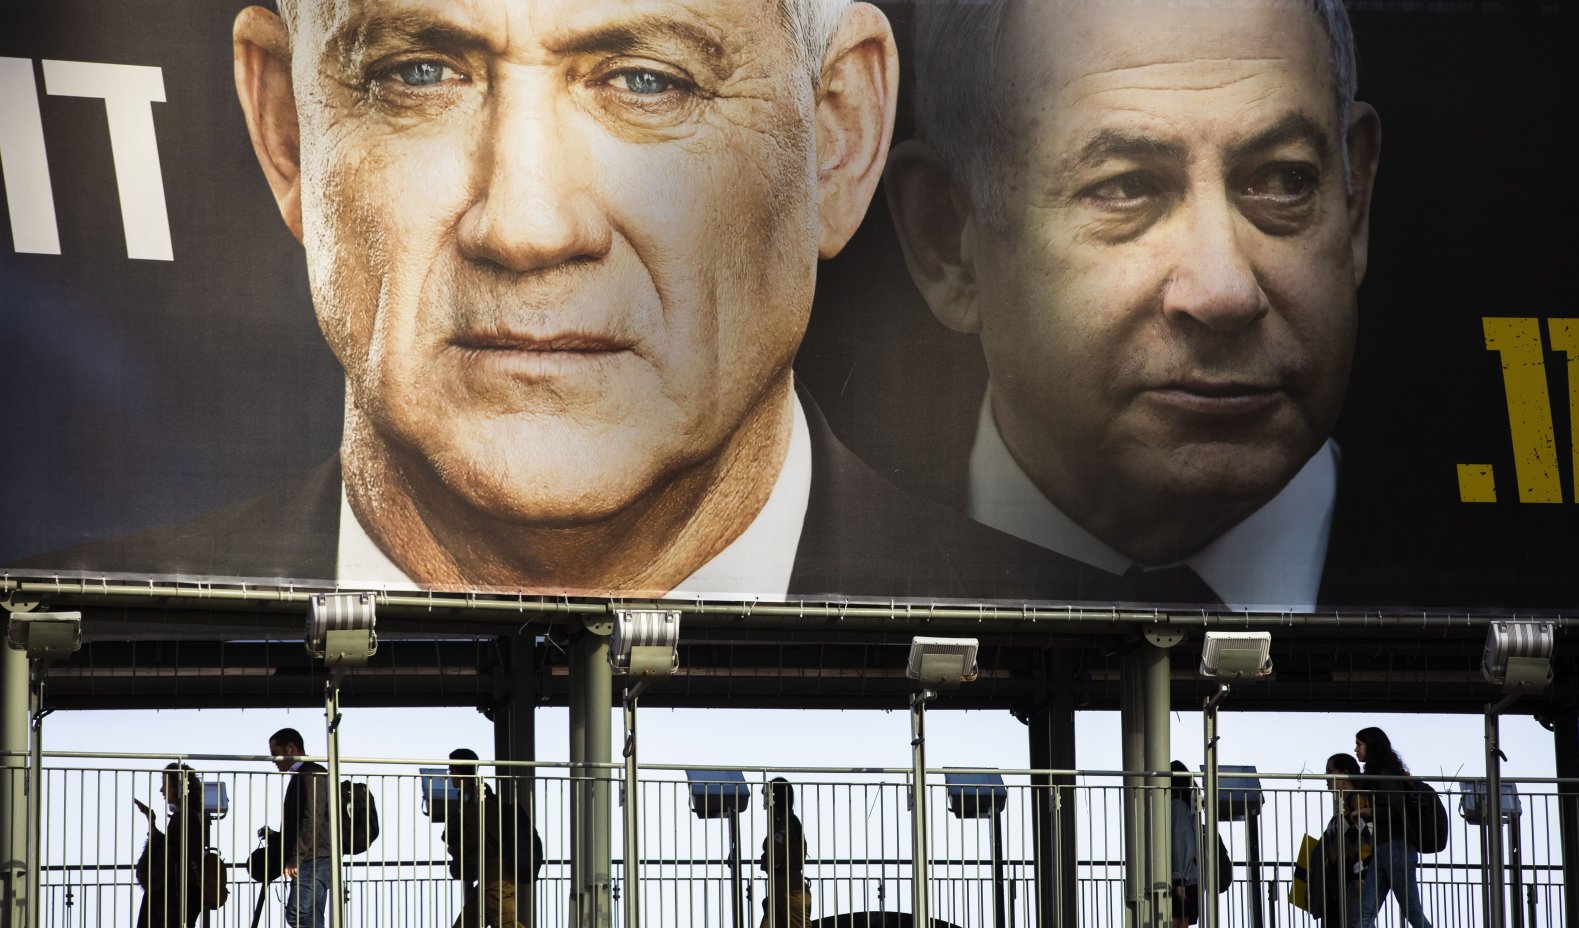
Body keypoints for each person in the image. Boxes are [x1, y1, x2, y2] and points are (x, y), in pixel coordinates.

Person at [21, 0, 1132, 607]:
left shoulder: (1111, 664)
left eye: (647, 79)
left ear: (836, 138)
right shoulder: (56, 653)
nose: (528, 223)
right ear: (285, 126)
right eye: (420, 72)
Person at [885, 0, 1381, 610]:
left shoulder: (1506, 575)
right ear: (947, 244)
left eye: (1283, 181)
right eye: (1125, 188)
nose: (1224, 292)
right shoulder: (807, 565)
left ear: (1355, 200)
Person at [442, 749, 556, 928]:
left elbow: (475, 836)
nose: (451, 776)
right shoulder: (478, 794)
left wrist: (452, 840)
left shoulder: (475, 797)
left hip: (496, 876)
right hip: (490, 876)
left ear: (455, 770)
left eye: (451, 771)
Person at [1348, 727, 1446, 928]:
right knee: (1367, 913)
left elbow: (1395, 813)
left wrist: (1367, 814)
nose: (1356, 749)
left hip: (1396, 849)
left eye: (1359, 744)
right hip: (1384, 850)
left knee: (1411, 910)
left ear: (1372, 746)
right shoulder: (1382, 773)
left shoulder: (1385, 775)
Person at [269, 726, 359, 928]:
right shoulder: (306, 775)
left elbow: (312, 817)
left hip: (315, 857)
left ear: (291, 748)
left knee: (298, 915)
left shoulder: (312, 774)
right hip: (315, 855)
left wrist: (296, 858)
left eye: (276, 753)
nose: (274, 760)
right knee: (312, 917)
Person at [1309, 753, 1405, 928]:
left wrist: (1360, 871)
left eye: (1330, 771)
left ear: (1344, 774)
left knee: (1355, 925)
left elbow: (1365, 837)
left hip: (1359, 875)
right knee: (1355, 926)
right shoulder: (1346, 807)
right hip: (1350, 877)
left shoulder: (1356, 800)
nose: (1326, 777)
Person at [132, 763, 219, 928]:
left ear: (179, 787)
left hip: (178, 895)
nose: (162, 790)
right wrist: (152, 823)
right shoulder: (184, 816)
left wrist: (153, 828)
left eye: (165, 784)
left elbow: (176, 854)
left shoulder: (186, 817)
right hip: (176, 894)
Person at [751, 777, 836, 928]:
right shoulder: (783, 823)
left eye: (767, 796)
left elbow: (772, 856)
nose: (764, 802)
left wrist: (769, 858)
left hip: (790, 889)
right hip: (782, 889)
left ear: (776, 798)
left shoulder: (788, 823)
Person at [1169, 761, 1202, 928]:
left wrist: (1179, 879)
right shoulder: (1191, 805)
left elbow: (1181, 844)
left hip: (1182, 879)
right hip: (1191, 879)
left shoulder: (1177, 806)